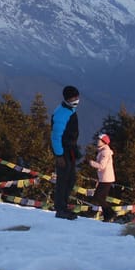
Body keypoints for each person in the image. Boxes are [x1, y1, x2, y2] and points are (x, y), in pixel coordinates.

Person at [50, 85, 81, 220]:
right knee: (63, 180)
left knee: (71, 179)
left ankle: (64, 205)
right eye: (74, 97)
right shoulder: (62, 113)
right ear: (67, 98)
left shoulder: (69, 110)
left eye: (77, 97)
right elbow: (56, 136)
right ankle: (60, 208)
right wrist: (59, 155)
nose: (76, 100)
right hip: (64, 151)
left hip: (70, 150)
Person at [89, 133, 116, 222]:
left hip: (106, 179)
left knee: (98, 197)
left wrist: (92, 163)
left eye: (99, 140)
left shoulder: (105, 152)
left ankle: (110, 212)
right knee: (101, 198)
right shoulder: (103, 151)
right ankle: (107, 216)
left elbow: (102, 166)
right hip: (104, 178)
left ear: (104, 142)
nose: (97, 141)